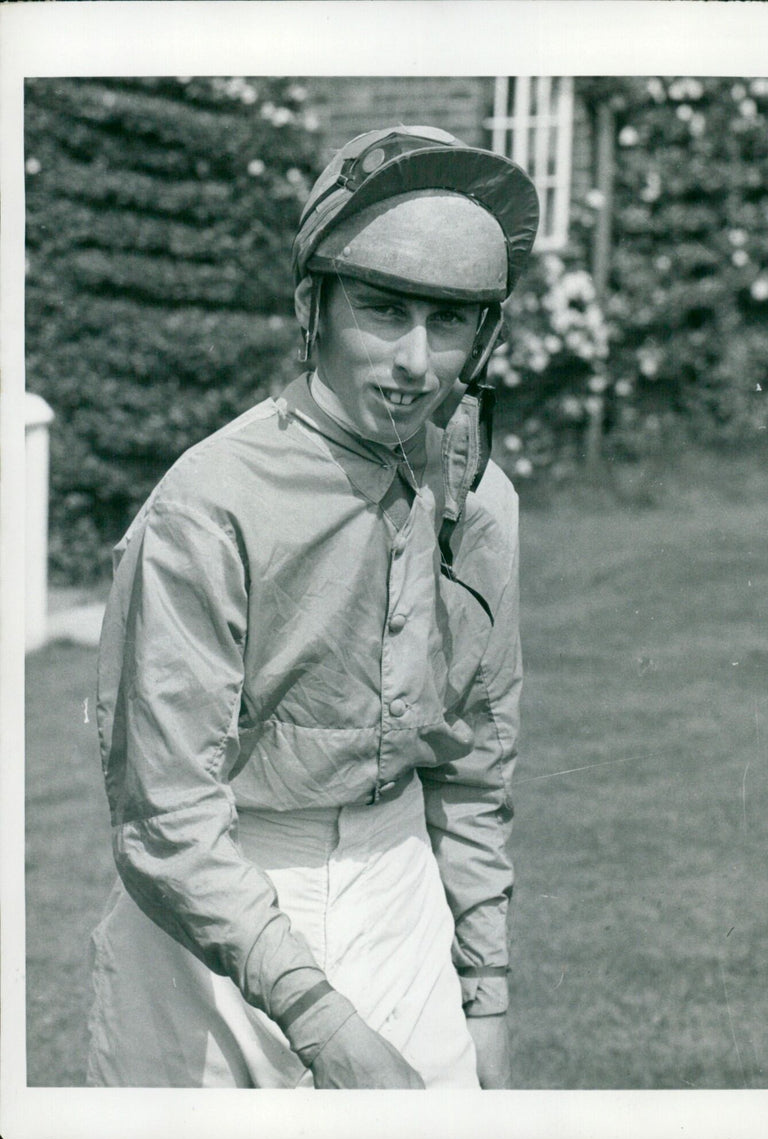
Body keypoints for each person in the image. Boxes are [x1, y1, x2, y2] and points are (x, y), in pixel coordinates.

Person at [86, 125, 539, 1089]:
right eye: (383, 310)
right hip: (212, 914)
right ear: (314, 306)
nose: (417, 361)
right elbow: (168, 813)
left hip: (401, 883)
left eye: (450, 322)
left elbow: (476, 757)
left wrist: (485, 984)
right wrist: (322, 1023)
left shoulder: (482, 498)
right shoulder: (205, 506)